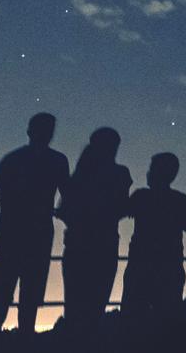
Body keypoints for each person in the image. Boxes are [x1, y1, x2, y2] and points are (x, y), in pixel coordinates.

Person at [0, 113, 70, 335]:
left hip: (11, 233)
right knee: (30, 295)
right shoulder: (58, 161)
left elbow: (5, 200)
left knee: (1, 295)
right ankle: (24, 341)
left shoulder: (12, 159)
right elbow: (67, 195)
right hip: (39, 233)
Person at [60, 127, 131, 329]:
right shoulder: (120, 173)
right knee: (96, 307)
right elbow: (122, 208)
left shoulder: (78, 177)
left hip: (77, 245)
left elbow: (65, 211)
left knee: (74, 307)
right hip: (105, 245)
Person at [122, 153, 186, 323]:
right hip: (170, 266)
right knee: (167, 320)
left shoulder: (141, 197)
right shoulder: (180, 200)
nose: (148, 173)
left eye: (151, 169)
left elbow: (120, 210)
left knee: (133, 319)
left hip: (140, 265)